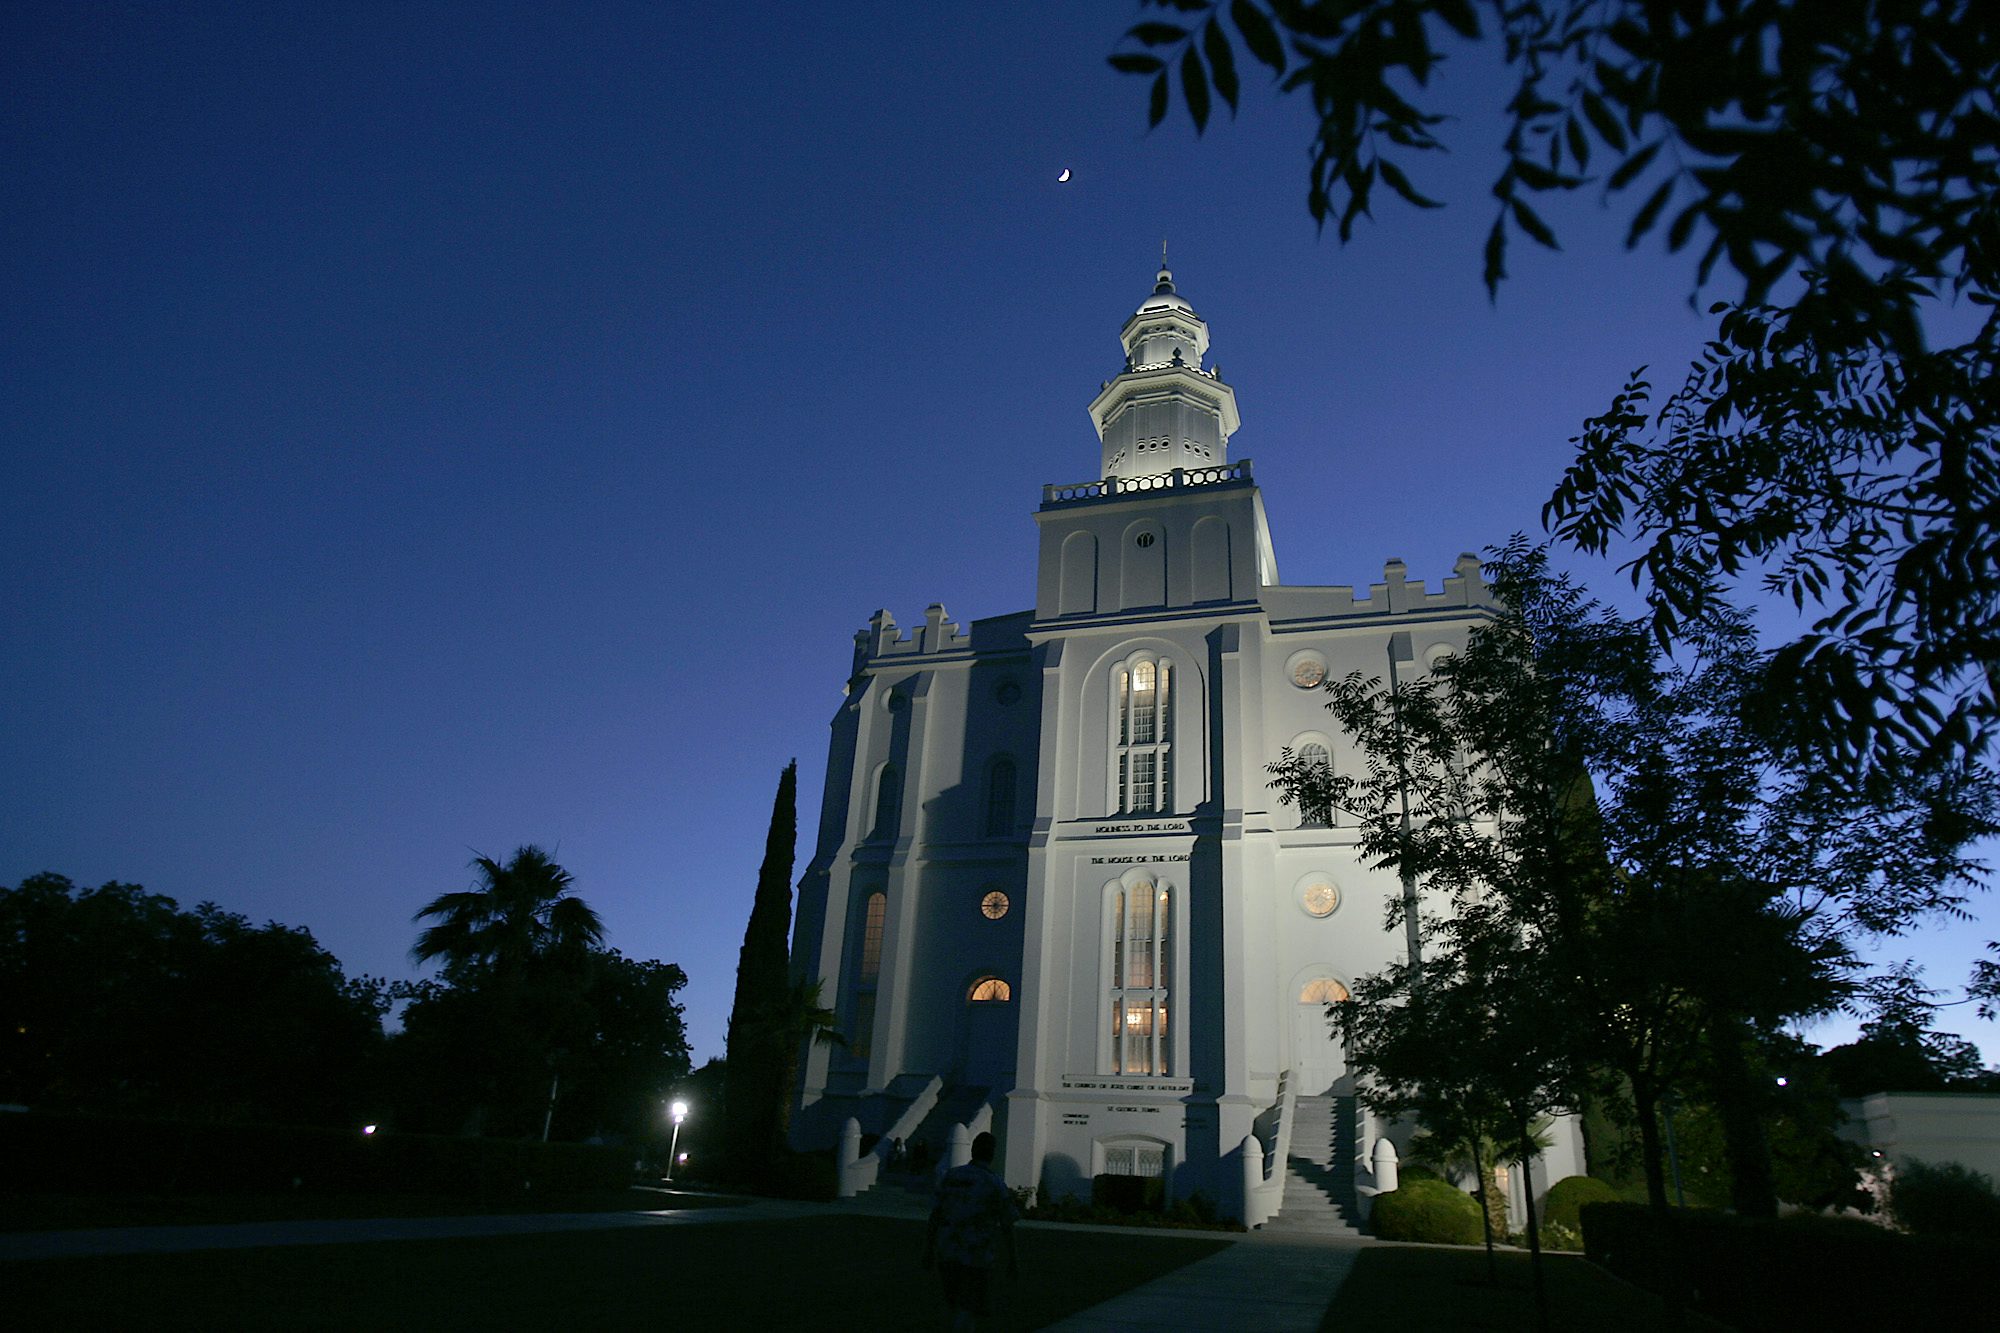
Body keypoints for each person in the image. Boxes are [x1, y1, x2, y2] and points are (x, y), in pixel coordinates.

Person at [922, 1132, 1018, 1332]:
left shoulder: (951, 1176)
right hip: (977, 1253)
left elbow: (935, 1215)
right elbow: (1007, 1223)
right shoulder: (994, 1182)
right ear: (992, 1153)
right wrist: (1013, 1258)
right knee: (969, 1305)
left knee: (955, 1302)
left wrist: (929, 1248)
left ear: (973, 1150)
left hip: (947, 1249)